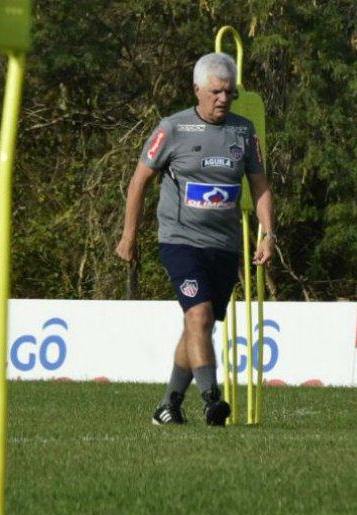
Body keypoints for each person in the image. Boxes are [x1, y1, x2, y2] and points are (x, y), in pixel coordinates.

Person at [116, 52, 278, 427]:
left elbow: (261, 187)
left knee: (198, 325)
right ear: (198, 90)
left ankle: (168, 405)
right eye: (216, 91)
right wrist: (129, 235)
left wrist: (268, 234)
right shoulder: (172, 129)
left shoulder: (244, 132)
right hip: (180, 240)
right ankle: (211, 400)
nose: (223, 98)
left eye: (229, 92)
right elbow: (139, 182)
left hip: (224, 246)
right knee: (199, 315)